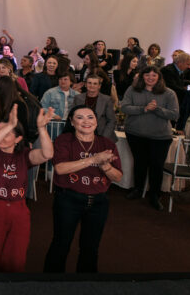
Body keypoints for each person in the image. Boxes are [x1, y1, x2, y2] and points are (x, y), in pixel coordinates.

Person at [43, 105, 122, 273]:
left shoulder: (106, 143)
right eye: (80, 117)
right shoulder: (64, 140)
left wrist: (105, 166)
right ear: (72, 122)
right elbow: (60, 168)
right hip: (68, 200)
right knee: (61, 244)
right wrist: (94, 159)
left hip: (99, 202)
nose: (86, 121)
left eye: (90, 117)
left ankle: (86, 283)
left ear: (97, 121)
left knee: (91, 248)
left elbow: (118, 177)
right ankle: (50, 283)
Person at [0, 105, 56, 272]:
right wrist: (9, 126)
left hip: (18, 210)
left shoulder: (24, 155)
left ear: (18, 139)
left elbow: (47, 154)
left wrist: (42, 128)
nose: (0, 136)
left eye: (6, 134)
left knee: (15, 258)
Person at [120, 66, 179, 210]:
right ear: (142, 76)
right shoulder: (132, 90)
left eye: (154, 75)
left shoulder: (169, 93)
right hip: (135, 134)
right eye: (147, 75)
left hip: (160, 137)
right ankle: (138, 189)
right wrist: (144, 109)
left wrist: (156, 109)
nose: (150, 78)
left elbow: (174, 115)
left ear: (159, 77)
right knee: (139, 163)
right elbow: (124, 107)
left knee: (156, 166)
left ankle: (154, 195)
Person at [73, 75, 117, 140]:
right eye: (89, 83)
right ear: (85, 85)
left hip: (102, 136)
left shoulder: (107, 100)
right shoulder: (77, 98)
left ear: (99, 86)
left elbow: (112, 121)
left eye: (95, 83)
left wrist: (103, 138)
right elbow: (74, 117)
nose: (92, 85)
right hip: (82, 135)